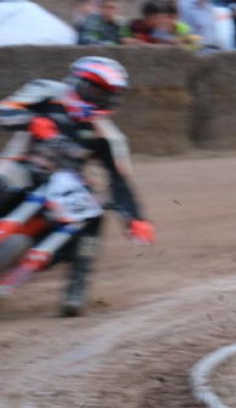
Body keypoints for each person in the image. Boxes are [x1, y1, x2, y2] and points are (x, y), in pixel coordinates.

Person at [0, 57, 156, 317]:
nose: (97, 97)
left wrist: (135, 218)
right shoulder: (46, 92)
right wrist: (31, 121)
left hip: (62, 183)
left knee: (92, 212)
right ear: (77, 81)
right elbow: (3, 110)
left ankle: (77, 285)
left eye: (106, 94)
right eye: (93, 88)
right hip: (20, 166)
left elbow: (118, 180)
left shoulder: (109, 136)